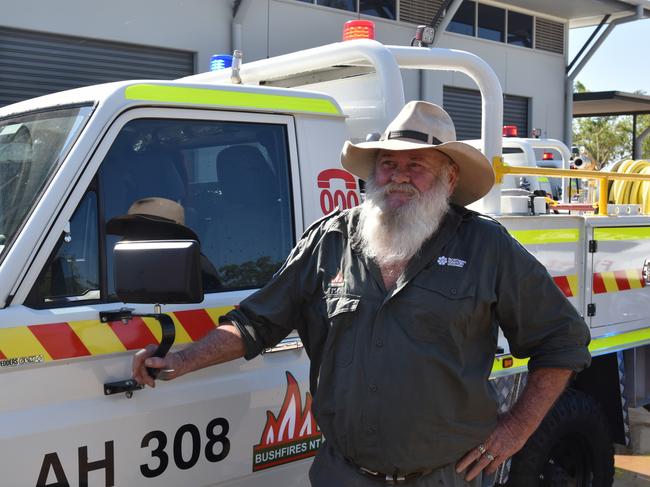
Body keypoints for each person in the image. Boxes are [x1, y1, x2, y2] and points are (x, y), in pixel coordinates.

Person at [132, 101, 591, 486]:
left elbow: (563, 342)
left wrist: (515, 430)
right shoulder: (331, 240)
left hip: (446, 477)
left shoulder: (487, 248)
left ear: (450, 178)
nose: (399, 176)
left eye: (417, 165)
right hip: (343, 474)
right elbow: (256, 323)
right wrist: (181, 360)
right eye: (388, 163)